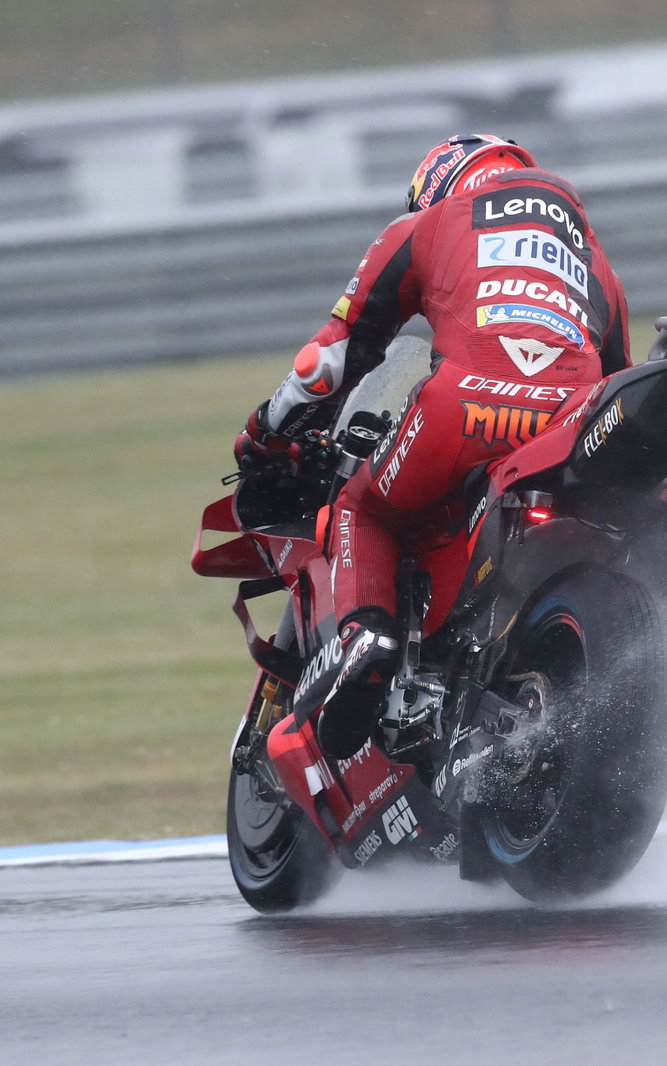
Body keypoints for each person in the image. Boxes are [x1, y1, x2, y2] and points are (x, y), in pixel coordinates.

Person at [235, 133, 631, 757]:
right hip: (566, 427)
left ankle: (366, 640)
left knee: (362, 508)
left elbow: (331, 360)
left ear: (439, 183)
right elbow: (617, 379)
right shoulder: (594, 264)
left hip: (463, 408)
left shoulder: (428, 224)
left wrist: (266, 430)